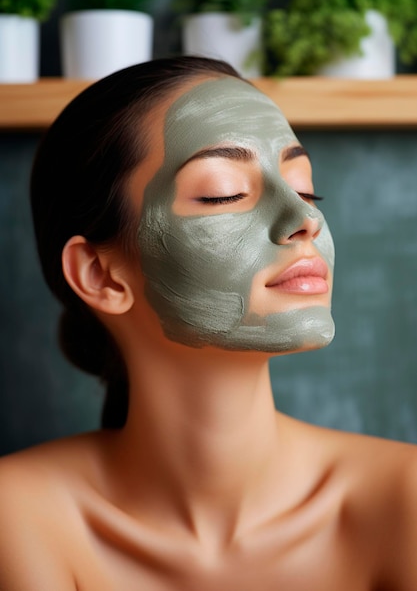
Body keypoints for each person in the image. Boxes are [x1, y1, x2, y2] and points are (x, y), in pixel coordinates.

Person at [0, 55, 416, 590]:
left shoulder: (403, 501)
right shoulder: (19, 518)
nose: (305, 220)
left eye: (305, 189)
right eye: (224, 192)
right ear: (101, 274)